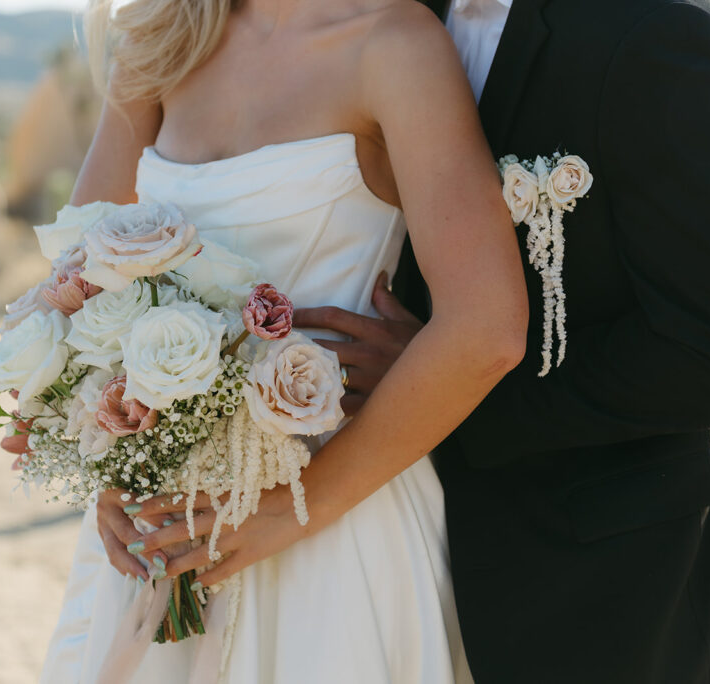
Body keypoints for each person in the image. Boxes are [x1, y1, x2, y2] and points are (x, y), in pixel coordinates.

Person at [105, 0, 710, 682]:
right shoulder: (384, 16)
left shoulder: (656, 31)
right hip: (377, 535)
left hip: (600, 576)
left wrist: (449, 387)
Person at [37, 0, 527, 681]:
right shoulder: (158, 40)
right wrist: (110, 465)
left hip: (334, 532)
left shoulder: (395, 44)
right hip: (162, 533)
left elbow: (486, 328)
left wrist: (292, 512)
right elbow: (72, 277)